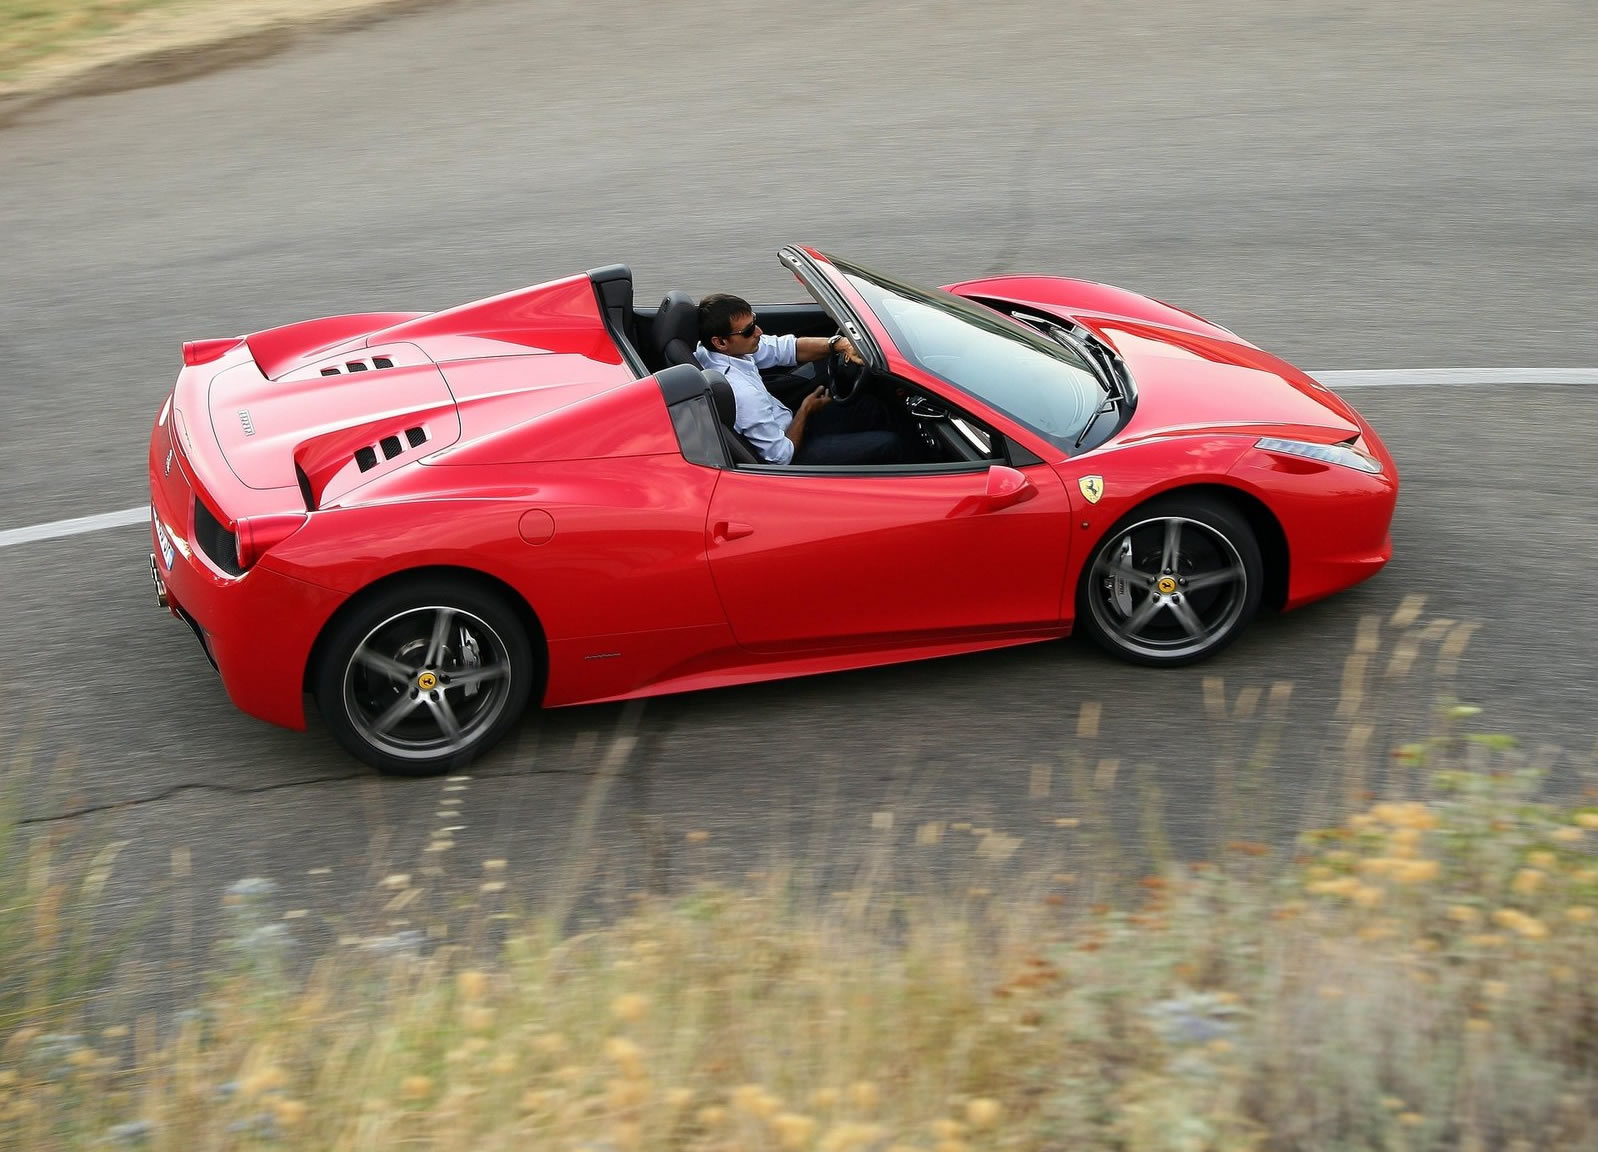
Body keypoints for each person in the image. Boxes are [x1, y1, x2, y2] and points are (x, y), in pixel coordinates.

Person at [694, 293, 912, 466]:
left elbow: (785, 349)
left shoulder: (713, 351)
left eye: (755, 322)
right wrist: (805, 410)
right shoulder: (742, 393)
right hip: (793, 452)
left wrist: (838, 344)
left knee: (869, 408)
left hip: (788, 424)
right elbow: (781, 457)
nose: (759, 332)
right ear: (721, 342)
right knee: (889, 445)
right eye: (749, 330)